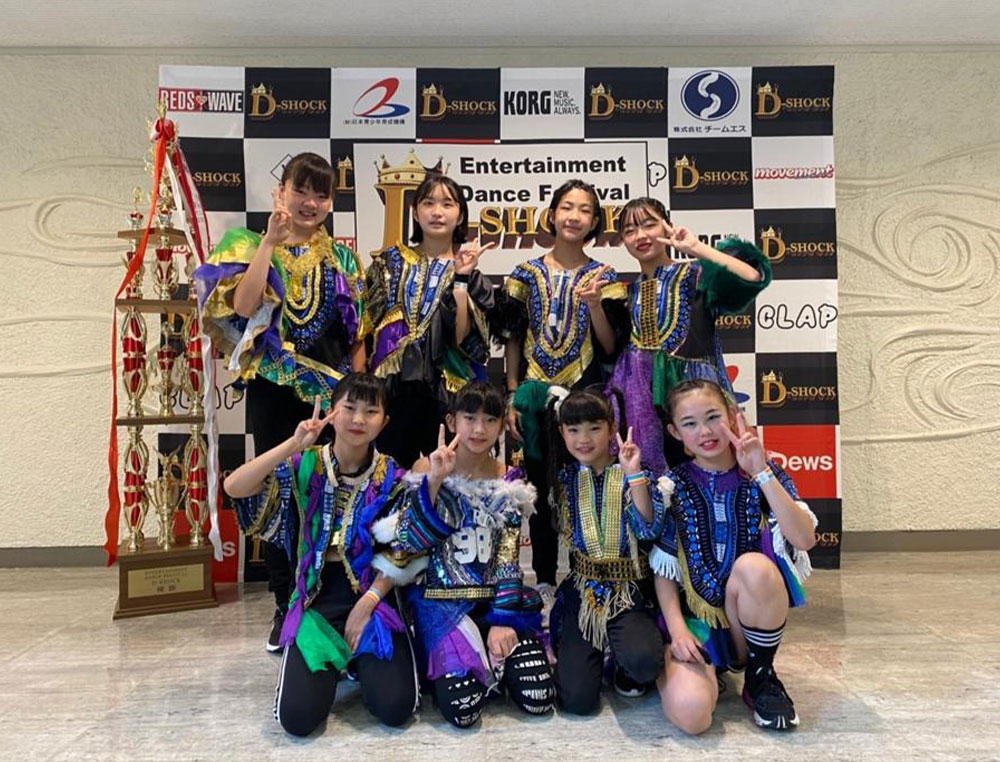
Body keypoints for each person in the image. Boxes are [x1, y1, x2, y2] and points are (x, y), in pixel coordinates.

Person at [195, 152, 368, 650]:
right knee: (278, 491)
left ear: (331, 202)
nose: (310, 203)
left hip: (332, 396)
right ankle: (283, 601)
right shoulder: (250, 244)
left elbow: (357, 333)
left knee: (332, 490)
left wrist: (355, 392)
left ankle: (329, 597)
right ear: (281, 193)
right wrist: (270, 242)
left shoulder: (343, 259)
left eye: (321, 194)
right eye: (301, 190)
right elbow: (243, 306)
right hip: (274, 389)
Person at [225, 373, 419, 736]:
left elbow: (403, 549)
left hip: (372, 598)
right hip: (316, 600)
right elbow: (235, 487)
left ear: (384, 422)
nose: (358, 419)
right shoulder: (305, 465)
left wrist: (368, 603)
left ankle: (358, 661)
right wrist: (292, 444)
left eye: (370, 411)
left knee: (396, 708)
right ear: (332, 412)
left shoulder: (392, 477)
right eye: (349, 408)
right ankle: (334, 657)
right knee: (297, 719)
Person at [375, 382, 555, 727]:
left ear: (501, 426)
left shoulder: (508, 479)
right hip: (442, 606)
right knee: (463, 709)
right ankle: (470, 660)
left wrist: (503, 619)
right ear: (451, 421)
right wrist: (434, 482)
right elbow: (409, 542)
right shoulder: (424, 468)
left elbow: (507, 558)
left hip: (495, 603)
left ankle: (494, 654)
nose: (478, 429)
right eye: (469, 418)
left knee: (539, 697)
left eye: (490, 420)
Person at [650, 379, 817, 733]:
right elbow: (664, 568)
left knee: (755, 568)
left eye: (713, 417)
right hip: (696, 626)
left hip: (743, 621)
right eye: (690, 423)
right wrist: (678, 631)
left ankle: (761, 677)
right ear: (675, 432)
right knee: (692, 715)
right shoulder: (672, 485)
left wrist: (761, 472)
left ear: (731, 415)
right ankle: (698, 673)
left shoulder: (763, 472)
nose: (705, 431)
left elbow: (804, 538)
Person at [494, 179, 630, 610]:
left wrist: (594, 306)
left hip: (583, 394)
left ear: (595, 221)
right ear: (552, 215)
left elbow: (610, 347)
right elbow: (512, 338)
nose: (574, 216)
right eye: (567, 207)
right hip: (532, 395)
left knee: (584, 484)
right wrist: (512, 393)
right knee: (538, 487)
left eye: (585, 209)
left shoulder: (605, 277)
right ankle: (544, 578)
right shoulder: (525, 274)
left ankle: (586, 571)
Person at [609, 196, 770, 473]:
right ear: (623, 240)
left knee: (713, 474)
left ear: (667, 226)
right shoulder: (628, 292)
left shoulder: (696, 274)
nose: (641, 236)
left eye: (649, 224)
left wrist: (696, 248)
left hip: (698, 401)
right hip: (645, 409)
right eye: (630, 230)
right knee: (657, 482)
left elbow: (752, 276)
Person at [546, 388, 667, 714]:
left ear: (612, 427)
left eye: (594, 428)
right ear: (562, 432)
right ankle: (595, 650)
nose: (583, 439)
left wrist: (633, 474)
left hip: (629, 592)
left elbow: (649, 528)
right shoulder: (565, 478)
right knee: (576, 701)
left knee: (643, 664)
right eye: (573, 429)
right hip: (583, 593)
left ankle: (621, 659)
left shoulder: (636, 472)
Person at [366, 173, 494, 468]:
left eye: (447, 204)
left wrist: (461, 279)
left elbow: (461, 338)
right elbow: (366, 328)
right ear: (415, 212)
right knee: (388, 472)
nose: (437, 212)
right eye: (428, 203)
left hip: (447, 391)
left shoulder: (471, 274)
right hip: (392, 389)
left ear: (460, 215)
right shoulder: (389, 262)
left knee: (450, 474)